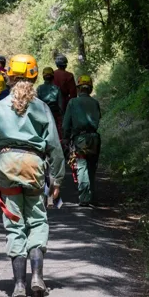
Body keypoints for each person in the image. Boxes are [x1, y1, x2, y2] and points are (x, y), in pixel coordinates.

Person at [0, 54, 65, 297]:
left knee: (14, 223)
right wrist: (57, 179)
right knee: (38, 221)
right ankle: (38, 277)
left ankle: (19, 284)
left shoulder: (0, 107)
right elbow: (54, 145)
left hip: (6, 166)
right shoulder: (41, 107)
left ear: (10, 76)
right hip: (33, 166)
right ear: (34, 76)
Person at [62, 75, 101, 207]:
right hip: (94, 138)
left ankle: (84, 197)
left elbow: (66, 123)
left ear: (79, 89)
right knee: (91, 166)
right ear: (90, 88)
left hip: (80, 139)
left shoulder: (73, 103)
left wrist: (66, 138)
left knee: (82, 166)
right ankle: (91, 195)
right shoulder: (95, 102)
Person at [36, 67, 63, 139]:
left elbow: (37, 104)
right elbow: (61, 105)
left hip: (43, 114)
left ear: (43, 77)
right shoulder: (57, 88)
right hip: (54, 114)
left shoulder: (39, 88)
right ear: (53, 77)